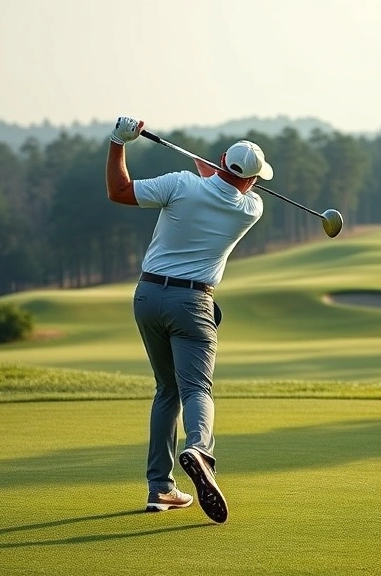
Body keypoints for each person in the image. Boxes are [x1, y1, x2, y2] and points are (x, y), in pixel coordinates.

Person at [104, 116, 271, 524]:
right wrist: (217, 173)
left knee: (167, 390)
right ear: (251, 181)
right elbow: (224, 187)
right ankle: (200, 450)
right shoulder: (251, 208)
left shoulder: (180, 184)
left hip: (147, 296)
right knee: (196, 388)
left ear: (221, 160)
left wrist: (118, 142)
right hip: (193, 303)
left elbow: (119, 192)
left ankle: (160, 487)